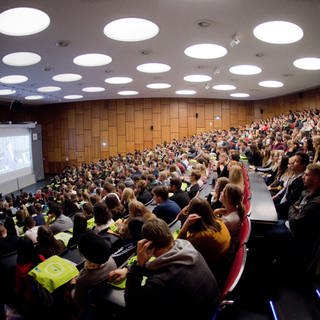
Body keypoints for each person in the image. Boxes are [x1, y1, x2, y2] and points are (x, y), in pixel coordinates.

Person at [109, 218, 220, 320]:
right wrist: (128, 270)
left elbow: (132, 303)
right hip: (211, 307)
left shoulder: (160, 282)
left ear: (148, 245)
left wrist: (138, 265)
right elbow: (161, 265)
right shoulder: (187, 249)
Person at [178, 197, 231, 286]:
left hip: (210, 272)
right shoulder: (220, 222)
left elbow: (179, 249)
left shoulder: (201, 236)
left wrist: (184, 228)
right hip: (221, 266)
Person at [70, 231, 117, 313]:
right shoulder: (111, 260)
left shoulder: (83, 278)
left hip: (89, 302)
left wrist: (73, 284)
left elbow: (77, 298)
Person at [273, 152, 309, 219]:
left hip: (284, 213)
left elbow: (290, 202)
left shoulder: (300, 182)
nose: (292, 163)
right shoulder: (294, 176)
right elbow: (285, 192)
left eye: (296, 161)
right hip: (281, 206)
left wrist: (274, 207)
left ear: (303, 165)